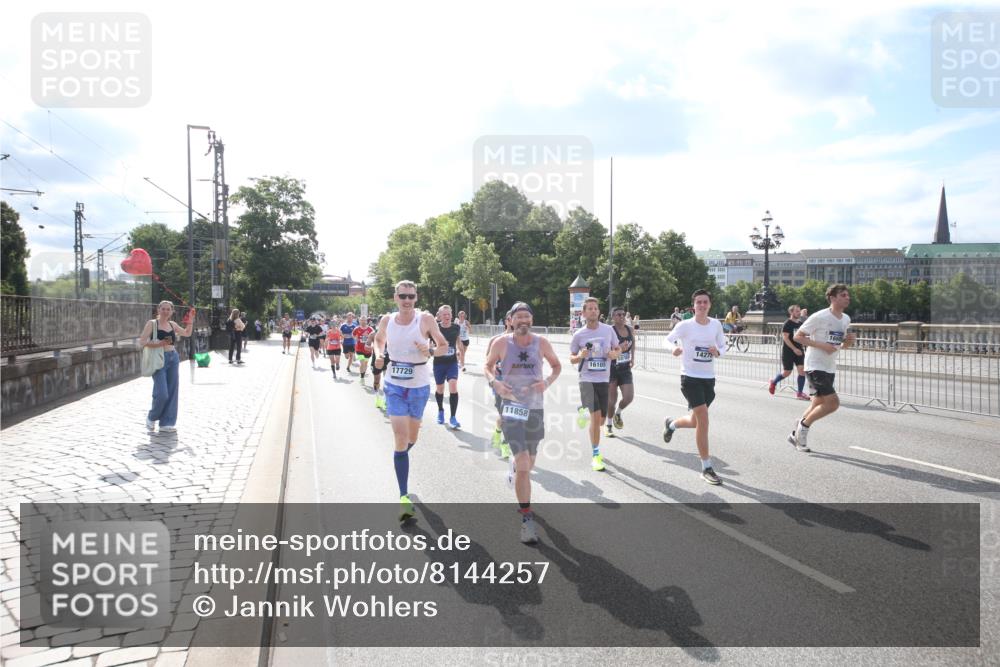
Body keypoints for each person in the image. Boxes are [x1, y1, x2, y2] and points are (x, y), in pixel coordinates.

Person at [484, 302, 561, 544]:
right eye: (518, 317)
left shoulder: (542, 342)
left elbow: (557, 366)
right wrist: (495, 383)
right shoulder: (501, 343)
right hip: (511, 408)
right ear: (511, 320)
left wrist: (546, 383)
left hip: (535, 408)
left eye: (527, 316)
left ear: (531, 320)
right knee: (525, 463)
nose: (523, 320)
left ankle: (515, 469)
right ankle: (527, 520)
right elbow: (487, 366)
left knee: (530, 463)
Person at [373, 281, 450, 521]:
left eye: (411, 296)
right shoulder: (387, 320)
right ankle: (404, 498)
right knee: (400, 437)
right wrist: (379, 354)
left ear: (416, 298)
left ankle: (400, 458)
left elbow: (444, 346)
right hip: (394, 384)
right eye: (403, 296)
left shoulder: (425, 319)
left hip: (418, 386)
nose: (407, 300)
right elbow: (378, 339)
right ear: (395, 297)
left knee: (412, 438)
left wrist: (430, 351)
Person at [662, 289, 727, 485]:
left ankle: (671, 425)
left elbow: (723, 346)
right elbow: (666, 340)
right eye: (698, 302)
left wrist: (717, 351)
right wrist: (674, 348)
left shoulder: (716, 325)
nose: (702, 305)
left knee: (695, 421)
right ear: (694, 305)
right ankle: (706, 467)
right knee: (704, 420)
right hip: (690, 378)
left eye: (705, 302)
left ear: (710, 305)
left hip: (709, 379)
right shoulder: (685, 325)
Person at [789, 285, 856, 452]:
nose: (847, 298)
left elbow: (841, 345)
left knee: (818, 402)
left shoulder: (846, 319)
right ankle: (803, 429)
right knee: (833, 403)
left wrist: (849, 341)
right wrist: (822, 346)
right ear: (832, 298)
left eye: (848, 295)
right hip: (815, 365)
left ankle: (795, 433)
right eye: (843, 295)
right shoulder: (820, 316)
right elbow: (798, 337)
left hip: (829, 366)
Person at [569, 297, 621, 472]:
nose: (593, 311)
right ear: (583, 313)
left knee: (600, 421)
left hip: (603, 379)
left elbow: (618, 348)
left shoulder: (608, 330)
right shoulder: (579, 334)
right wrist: (580, 356)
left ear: (599, 312)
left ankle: (582, 410)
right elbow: (571, 358)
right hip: (586, 380)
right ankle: (596, 456)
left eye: (595, 308)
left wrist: (614, 354)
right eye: (589, 308)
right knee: (596, 417)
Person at [140, 301, 194, 432]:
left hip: (173, 358)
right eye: (163, 309)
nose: (165, 311)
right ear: (158, 310)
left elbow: (187, 333)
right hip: (158, 359)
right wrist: (159, 344)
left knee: (172, 390)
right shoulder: (152, 324)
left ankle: (166, 423)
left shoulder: (172, 324)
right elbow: (142, 341)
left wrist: (190, 320)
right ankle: (152, 417)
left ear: (172, 311)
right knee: (162, 393)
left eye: (168, 309)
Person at [486, 312, 515, 458]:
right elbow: (487, 362)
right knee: (504, 415)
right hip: (500, 381)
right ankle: (499, 433)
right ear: (507, 321)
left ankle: (505, 443)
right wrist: (493, 370)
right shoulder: (496, 340)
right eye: (512, 318)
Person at [606, 307, 636, 438]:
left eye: (623, 314)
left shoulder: (629, 329)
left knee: (629, 397)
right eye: (618, 314)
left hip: (625, 368)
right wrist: (619, 350)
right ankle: (608, 426)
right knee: (611, 401)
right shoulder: (610, 331)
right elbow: (606, 350)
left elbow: (633, 343)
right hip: (612, 368)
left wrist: (633, 357)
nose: (622, 316)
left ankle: (618, 413)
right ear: (613, 317)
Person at [769, 304, 809, 400]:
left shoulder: (800, 324)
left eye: (799, 311)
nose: (799, 313)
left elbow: (802, 337)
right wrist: (794, 349)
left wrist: (806, 343)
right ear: (791, 312)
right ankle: (774, 382)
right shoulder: (787, 323)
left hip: (799, 350)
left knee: (802, 371)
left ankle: (799, 393)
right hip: (788, 351)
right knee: (787, 372)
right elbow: (785, 338)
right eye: (797, 311)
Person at [432, 305, 462, 429]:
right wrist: (433, 349)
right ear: (439, 316)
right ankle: (440, 411)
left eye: (449, 314)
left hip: (452, 362)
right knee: (440, 389)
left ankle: (453, 417)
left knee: (453, 385)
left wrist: (459, 351)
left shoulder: (456, 327)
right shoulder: (435, 329)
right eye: (444, 314)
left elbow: (458, 341)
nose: (447, 316)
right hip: (439, 363)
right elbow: (430, 344)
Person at [353, 316, 375, 382]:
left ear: (366, 321)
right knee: (362, 363)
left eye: (364, 320)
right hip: (359, 349)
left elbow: (374, 337)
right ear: (359, 321)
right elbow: (353, 335)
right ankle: (362, 378)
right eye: (361, 320)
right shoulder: (357, 329)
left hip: (367, 350)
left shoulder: (370, 329)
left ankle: (363, 374)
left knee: (365, 363)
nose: (363, 321)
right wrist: (356, 339)